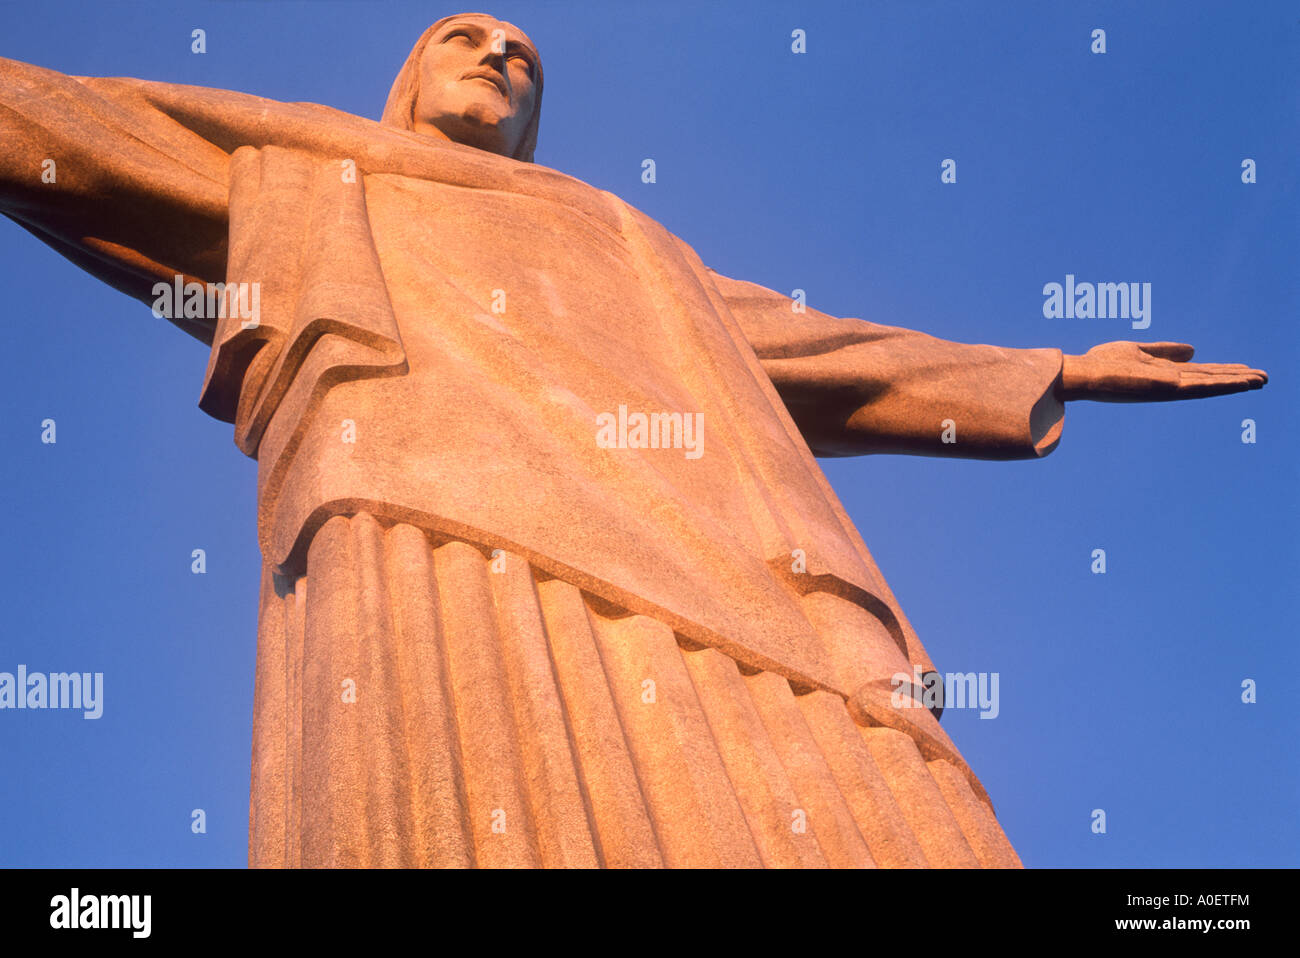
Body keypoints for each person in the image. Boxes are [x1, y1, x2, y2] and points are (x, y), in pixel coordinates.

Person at [0, 13, 1266, 867]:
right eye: (469, 38)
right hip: (429, 513)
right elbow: (67, 132)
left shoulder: (626, 243)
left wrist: (1048, 364)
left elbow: (819, 349)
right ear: (408, 76)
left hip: (722, 559)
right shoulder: (307, 169)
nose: (500, 57)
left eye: (524, 57)